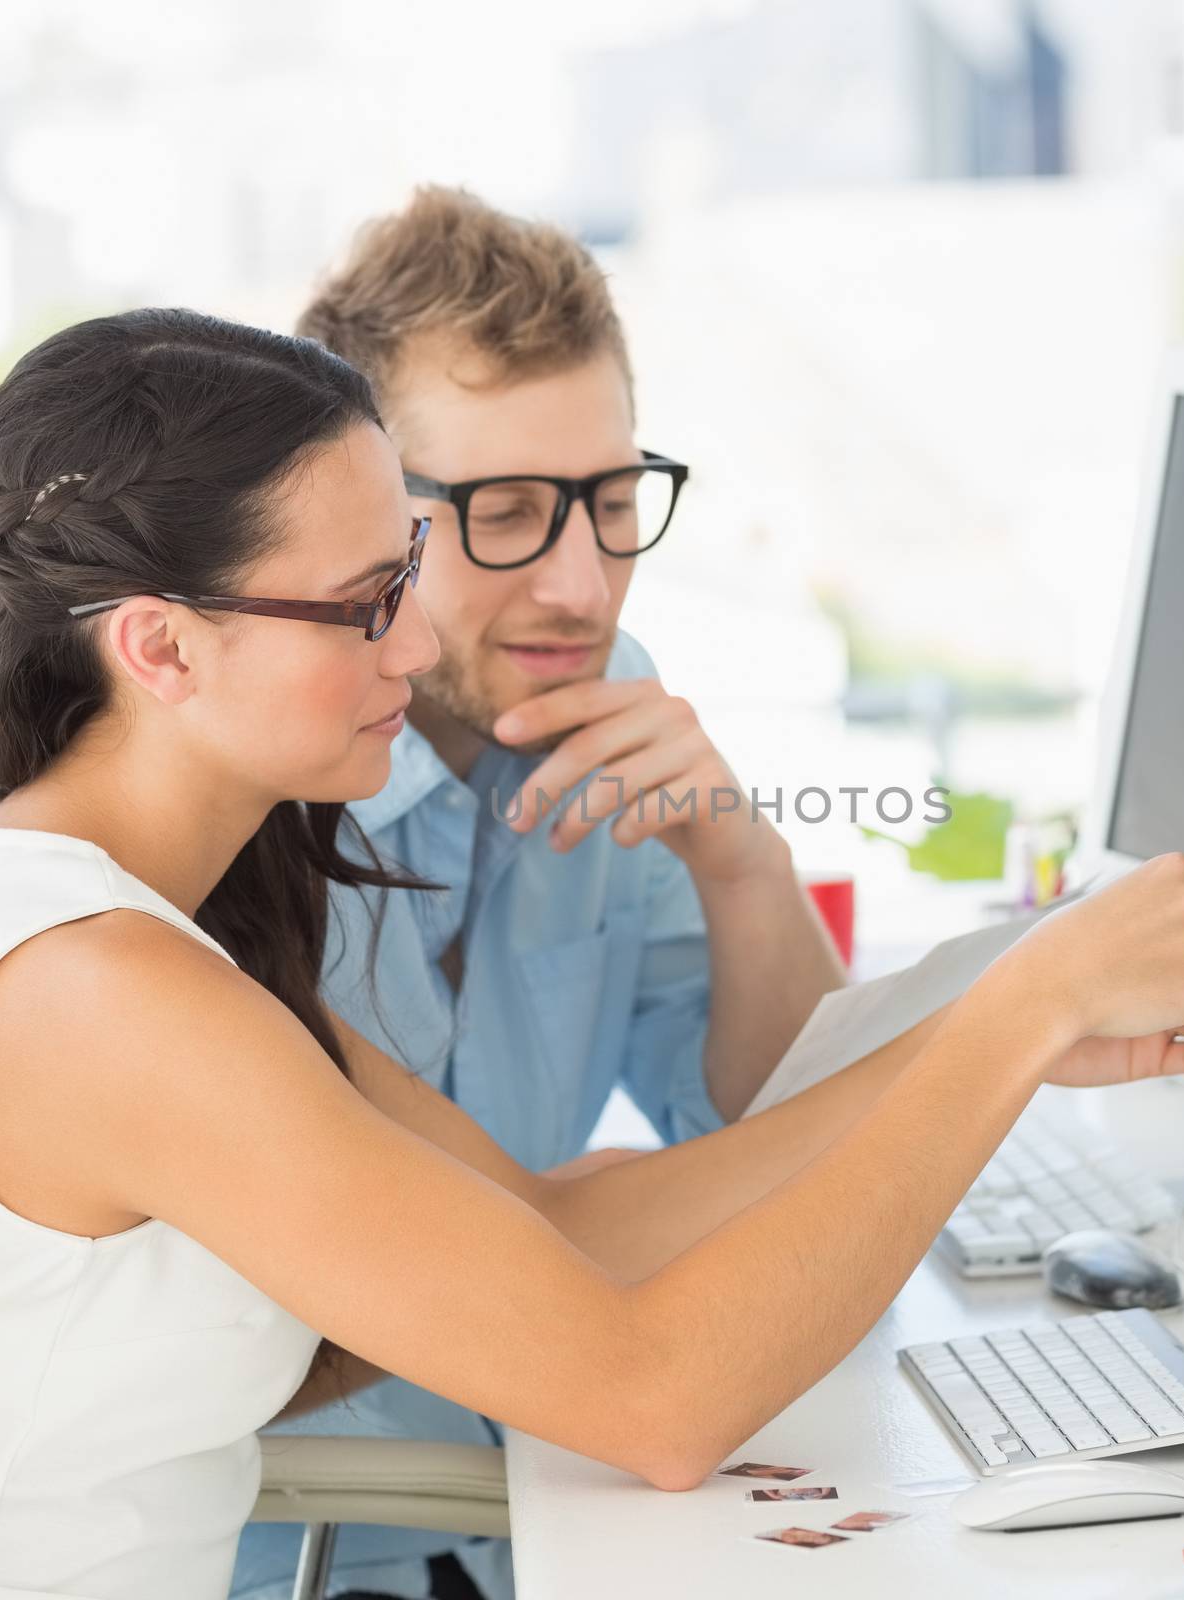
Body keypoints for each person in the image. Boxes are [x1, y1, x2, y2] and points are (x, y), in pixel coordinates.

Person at [0, 307, 1184, 1600]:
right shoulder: (97, 994)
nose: (422, 637)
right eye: (370, 600)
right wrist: (1022, 1005)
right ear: (160, 647)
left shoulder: (149, 933)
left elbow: (553, 1228)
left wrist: (1003, 1034)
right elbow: (657, 1401)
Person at [239, 187, 853, 1600]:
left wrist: (742, 864)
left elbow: (771, 1147)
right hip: (295, 1552)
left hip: (545, 1518)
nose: (582, 584)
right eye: (506, 514)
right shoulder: (243, 796)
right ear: (357, 519)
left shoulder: (607, 707)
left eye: (616, 502)